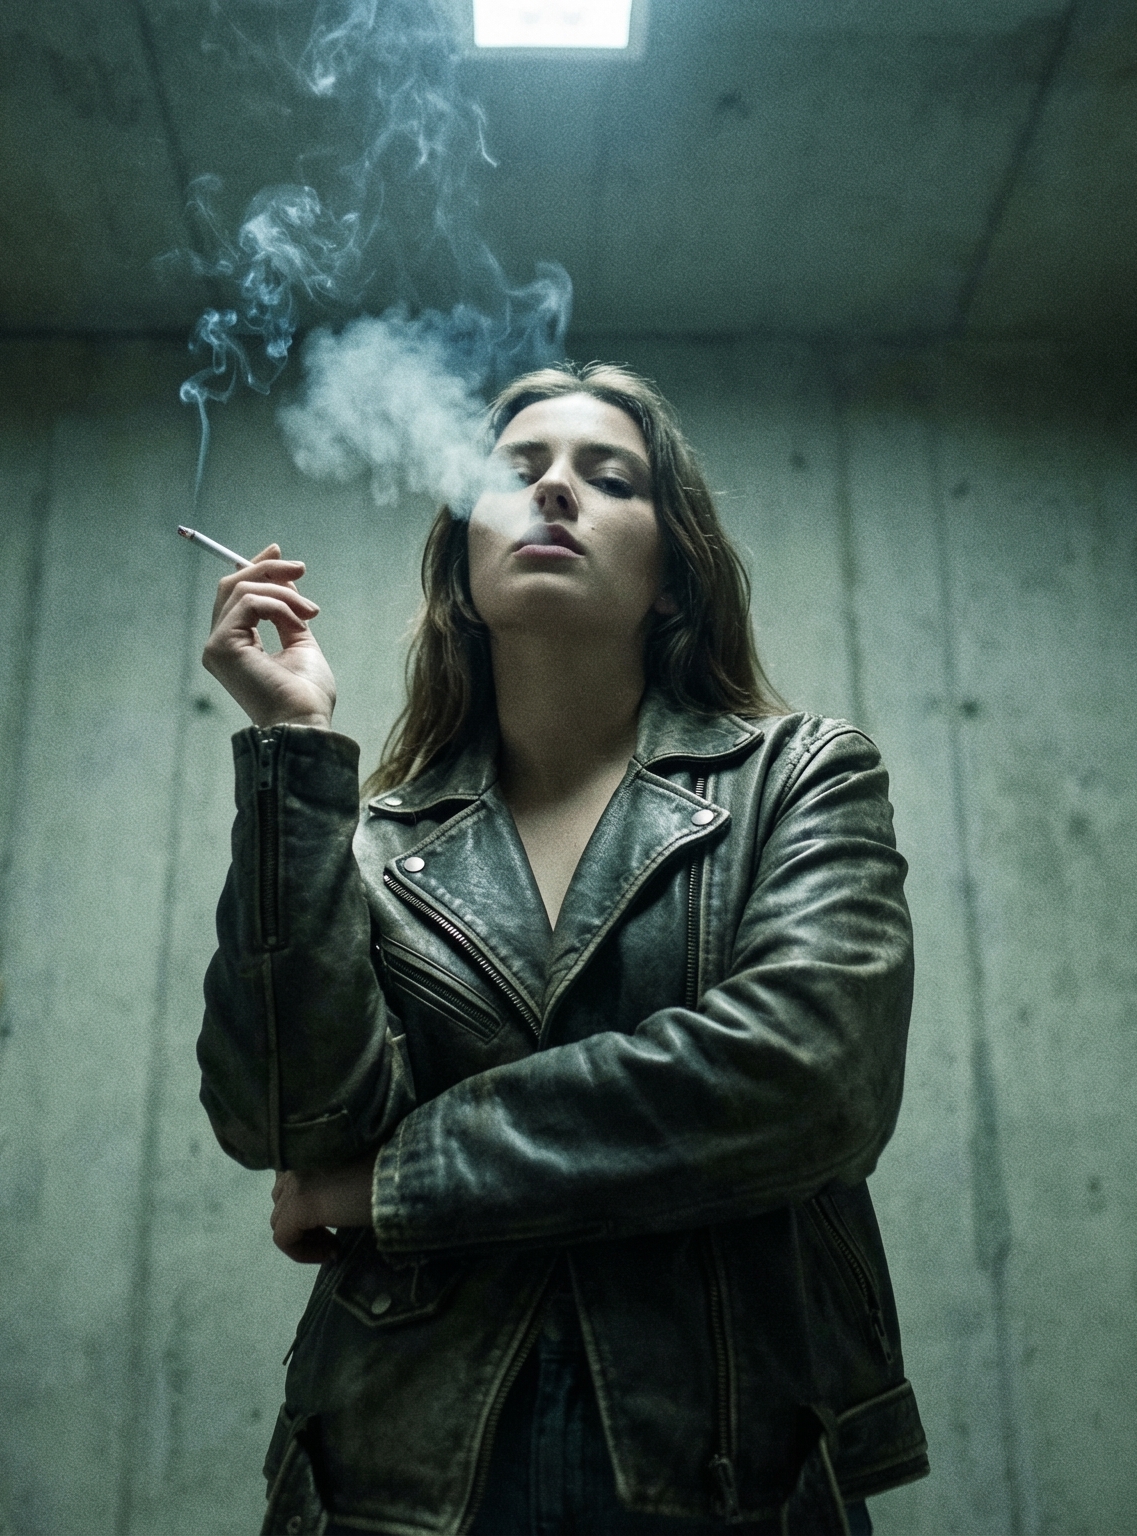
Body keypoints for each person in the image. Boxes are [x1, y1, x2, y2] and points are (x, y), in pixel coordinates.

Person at [196, 362, 924, 1536]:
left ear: (674, 572)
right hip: (396, 1486)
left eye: (609, 477)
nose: (552, 493)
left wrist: (399, 1183)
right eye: (514, 471)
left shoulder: (801, 778)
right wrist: (292, 751)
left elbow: (808, 1077)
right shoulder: (370, 843)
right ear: (461, 571)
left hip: (727, 1476)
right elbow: (285, 1124)